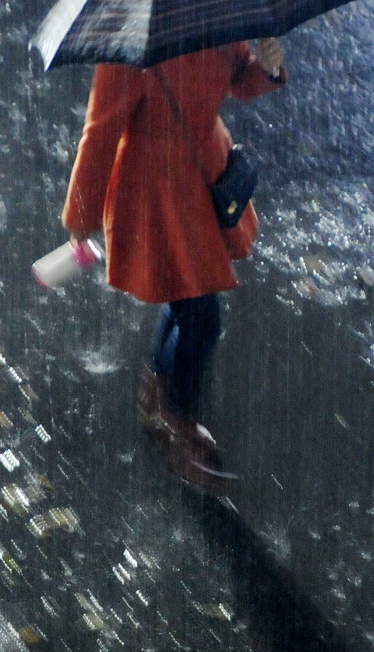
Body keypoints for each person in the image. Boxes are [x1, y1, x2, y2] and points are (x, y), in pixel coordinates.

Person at [62, 37, 288, 492]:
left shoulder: (213, 10)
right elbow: (102, 130)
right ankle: (175, 413)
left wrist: (266, 66)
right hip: (157, 190)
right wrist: (82, 214)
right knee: (201, 315)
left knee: (186, 291)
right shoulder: (131, 44)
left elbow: (238, 80)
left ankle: (159, 388)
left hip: (203, 171)